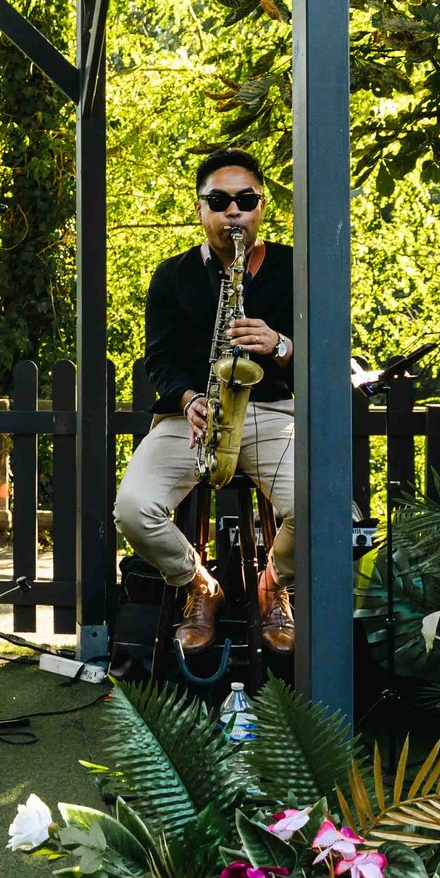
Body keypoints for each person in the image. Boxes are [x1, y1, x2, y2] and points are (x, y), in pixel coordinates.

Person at [114, 148, 299, 653]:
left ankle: (273, 584)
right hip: (191, 417)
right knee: (133, 509)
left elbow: (325, 356)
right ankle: (199, 585)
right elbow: (160, 362)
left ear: (262, 207)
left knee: (324, 508)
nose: (233, 211)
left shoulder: (293, 267)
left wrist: (280, 344)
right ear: (200, 209)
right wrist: (189, 396)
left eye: (245, 200)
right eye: (219, 200)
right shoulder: (171, 276)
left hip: (274, 414)